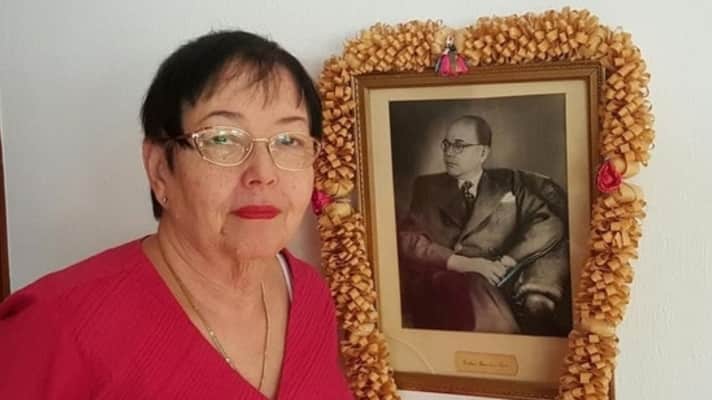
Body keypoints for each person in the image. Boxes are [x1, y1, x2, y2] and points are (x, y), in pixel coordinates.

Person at [0, 30, 353, 399]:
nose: (263, 173)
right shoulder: (56, 324)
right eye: (222, 138)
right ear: (159, 169)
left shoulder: (309, 294)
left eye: (289, 141)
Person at [397, 115, 571, 336]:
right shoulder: (427, 187)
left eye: (459, 145)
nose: (449, 152)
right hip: (444, 277)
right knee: (470, 290)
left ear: (483, 153)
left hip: (495, 277)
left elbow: (549, 223)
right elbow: (408, 240)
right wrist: (462, 263)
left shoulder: (509, 184)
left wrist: (508, 260)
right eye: (446, 144)